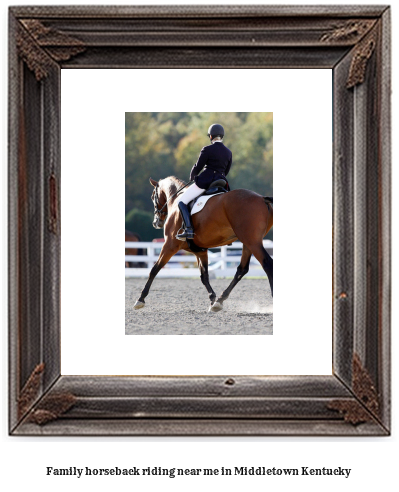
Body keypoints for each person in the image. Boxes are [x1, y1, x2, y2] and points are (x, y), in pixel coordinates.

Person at [176, 123, 232, 241]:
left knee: (181, 201)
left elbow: (198, 166)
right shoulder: (228, 152)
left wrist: (193, 176)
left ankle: (189, 230)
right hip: (222, 182)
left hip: (206, 180)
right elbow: (226, 170)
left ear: (210, 136)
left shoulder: (207, 149)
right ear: (222, 136)